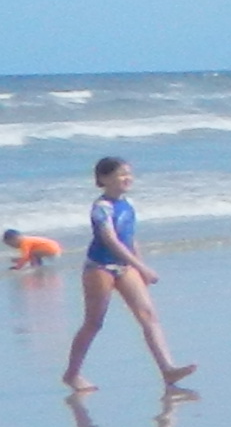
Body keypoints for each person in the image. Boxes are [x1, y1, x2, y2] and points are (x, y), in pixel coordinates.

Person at [62, 157, 194, 396]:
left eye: (129, 174)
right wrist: (141, 268)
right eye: (121, 174)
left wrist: (140, 265)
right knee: (94, 323)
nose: (127, 178)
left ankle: (168, 368)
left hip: (126, 266)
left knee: (149, 315)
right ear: (103, 179)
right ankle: (72, 373)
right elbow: (110, 240)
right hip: (100, 267)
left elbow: (129, 237)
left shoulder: (128, 204)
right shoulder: (102, 207)